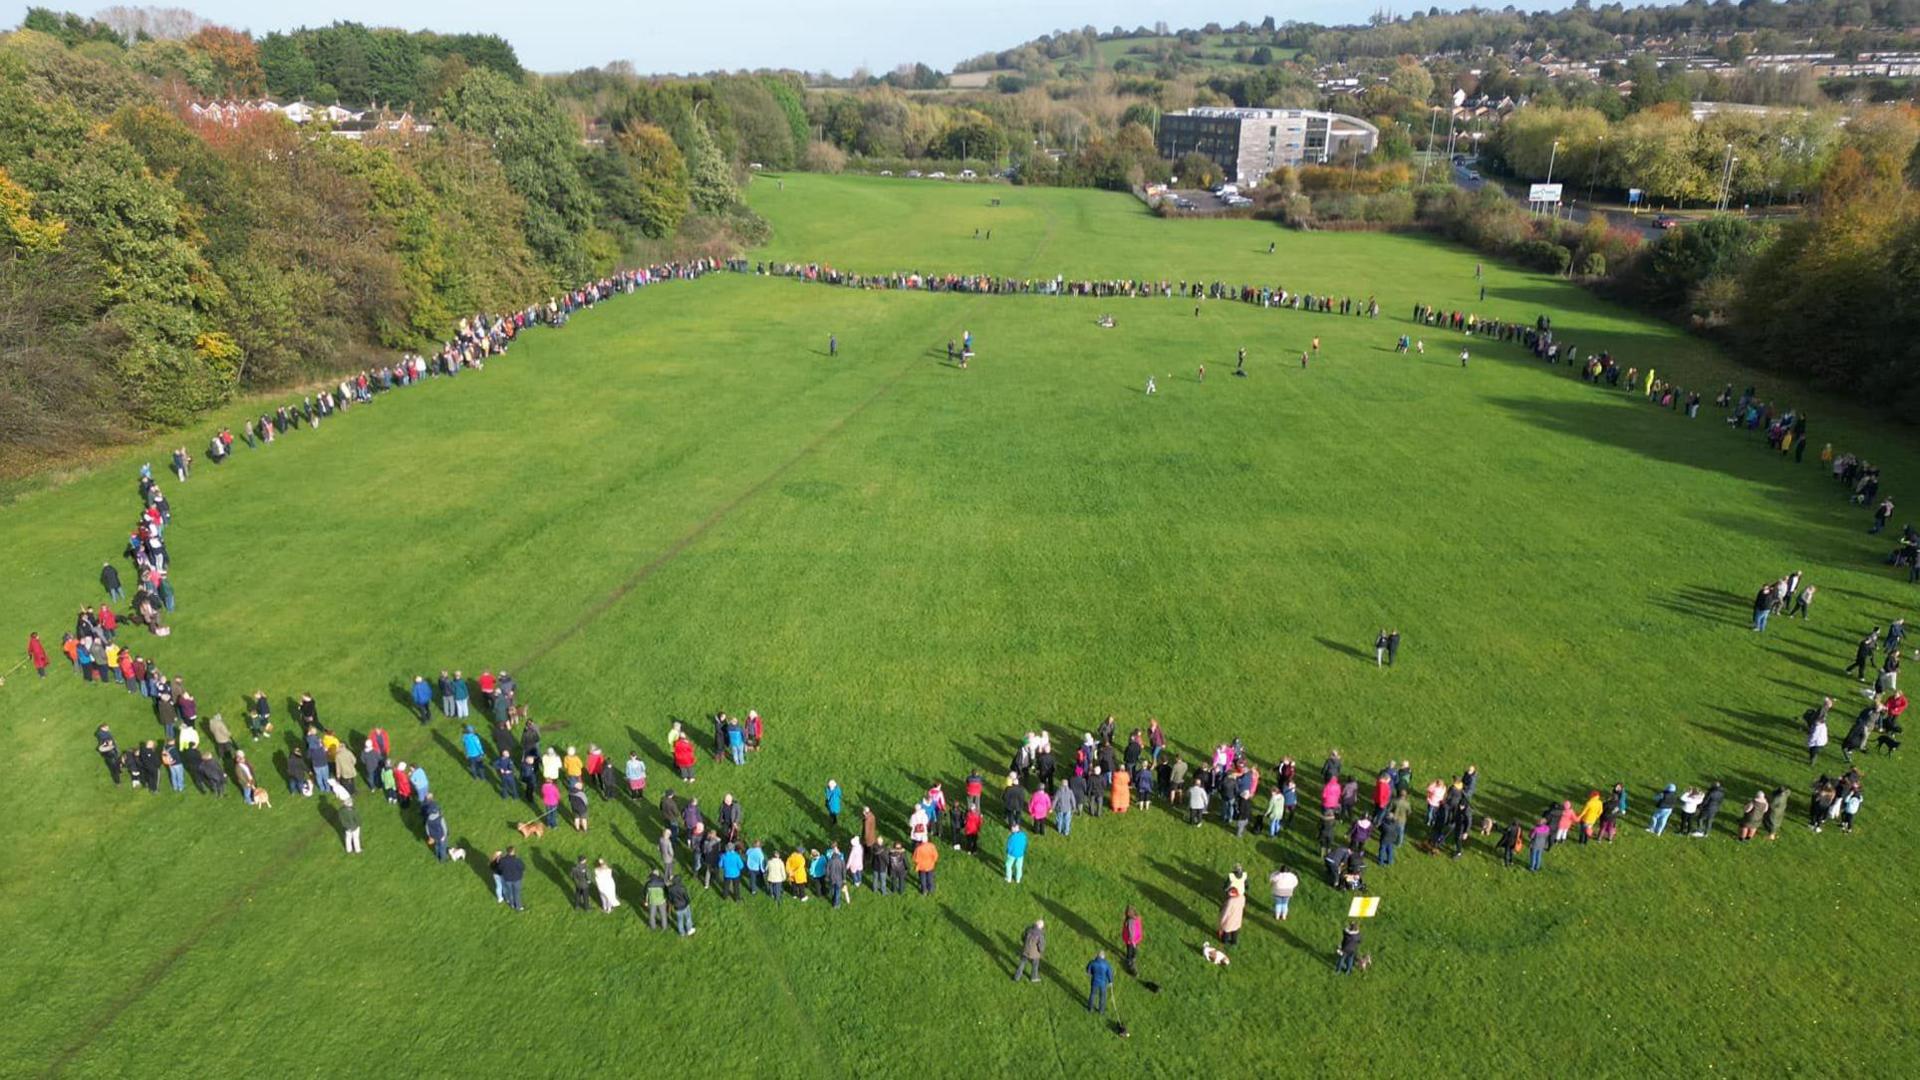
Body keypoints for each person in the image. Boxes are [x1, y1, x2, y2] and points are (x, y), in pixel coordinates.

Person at [1120, 907, 1144, 974]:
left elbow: (1131, 932)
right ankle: (1133, 957)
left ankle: (1129, 960)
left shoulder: (1130, 921)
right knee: (1135, 948)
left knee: (1129, 950)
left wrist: (1132, 940)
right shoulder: (1137, 918)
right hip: (1137, 938)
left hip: (1131, 940)